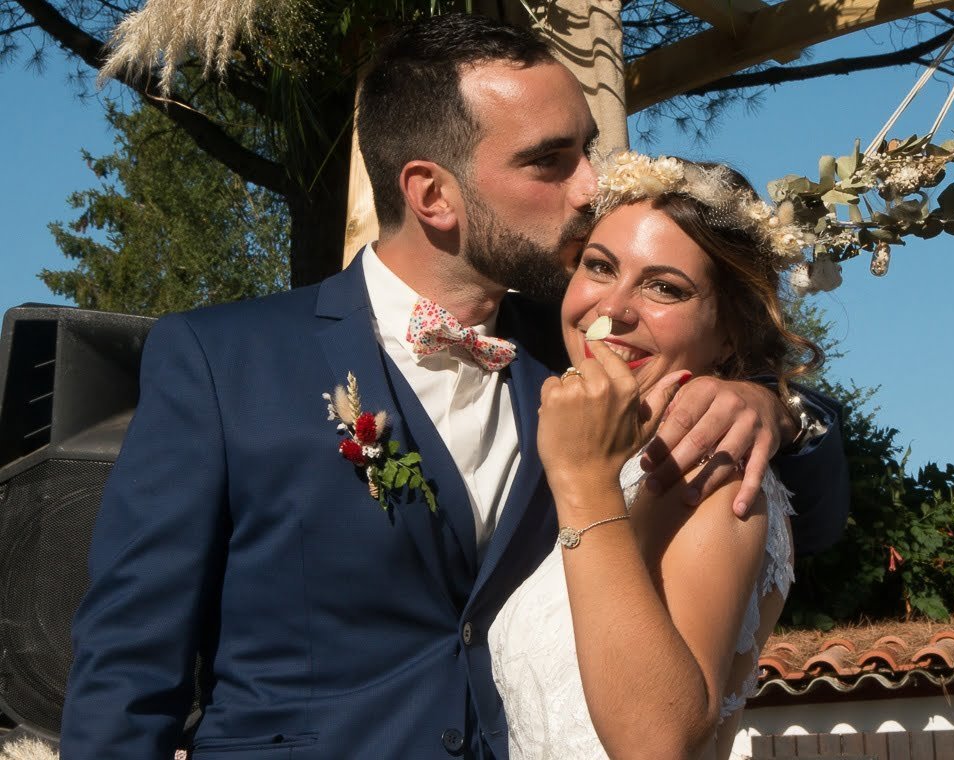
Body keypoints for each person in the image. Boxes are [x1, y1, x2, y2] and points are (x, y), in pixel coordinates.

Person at [61, 14, 848, 759]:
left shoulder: (585, 354)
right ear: (432, 194)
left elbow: (799, 512)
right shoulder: (223, 361)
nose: (590, 187)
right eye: (551, 161)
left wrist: (769, 405)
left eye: (587, 150)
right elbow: (127, 667)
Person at [489, 153, 821, 760]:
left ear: (731, 332)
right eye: (599, 266)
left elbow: (657, 744)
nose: (613, 309)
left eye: (664, 287)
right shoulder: (610, 454)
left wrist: (582, 482)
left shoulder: (716, 475)